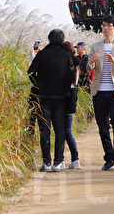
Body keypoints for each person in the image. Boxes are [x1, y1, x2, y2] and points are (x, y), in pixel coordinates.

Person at [85, 14, 114, 170]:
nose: (106, 28)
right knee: (102, 126)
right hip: (99, 91)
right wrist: (90, 63)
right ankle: (109, 158)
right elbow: (88, 68)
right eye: (104, 25)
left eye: (109, 26)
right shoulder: (95, 45)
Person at [27, 29, 75, 172]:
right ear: (62, 40)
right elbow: (72, 77)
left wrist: (38, 83)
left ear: (48, 39)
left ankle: (46, 163)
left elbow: (30, 72)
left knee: (44, 131)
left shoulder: (42, 54)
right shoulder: (67, 55)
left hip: (43, 98)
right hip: (61, 100)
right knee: (60, 130)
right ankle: (58, 162)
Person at [62, 41, 81, 169]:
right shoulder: (76, 66)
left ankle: (61, 160)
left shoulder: (64, 65)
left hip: (63, 100)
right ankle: (75, 160)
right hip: (72, 100)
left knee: (63, 132)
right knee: (67, 131)